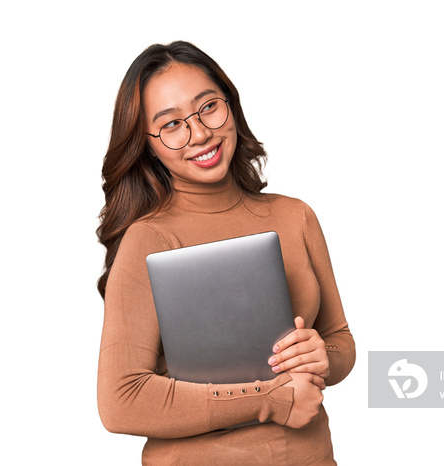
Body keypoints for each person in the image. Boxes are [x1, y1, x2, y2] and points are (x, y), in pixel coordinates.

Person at [96, 40, 355, 465]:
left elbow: (341, 340)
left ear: (230, 104)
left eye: (208, 107)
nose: (199, 133)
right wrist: (270, 399)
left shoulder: (296, 216)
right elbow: (121, 400)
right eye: (171, 124)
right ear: (148, 144)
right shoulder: (148, 241)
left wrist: (322, 356)